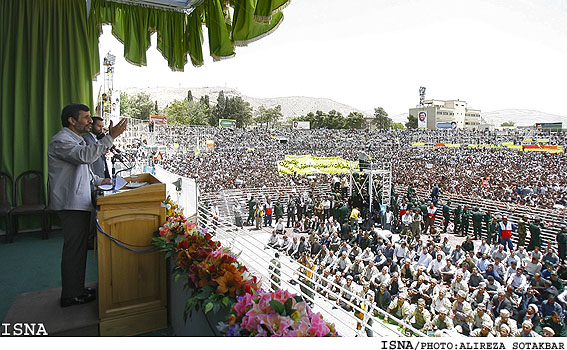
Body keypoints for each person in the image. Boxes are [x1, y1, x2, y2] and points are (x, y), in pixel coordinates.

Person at [48, 103, 127, 307]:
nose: (90, 121)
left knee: (79, 248)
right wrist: (111, 137)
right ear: (71, 121)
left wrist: (103, 181)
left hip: (79, 203)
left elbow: (86, 173)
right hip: (70, 205)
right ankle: (70, 295)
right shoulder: (61, 141)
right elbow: (84, 158)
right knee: (74, 249)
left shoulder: (77, 140)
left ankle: (77, 289)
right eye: (85, 117)